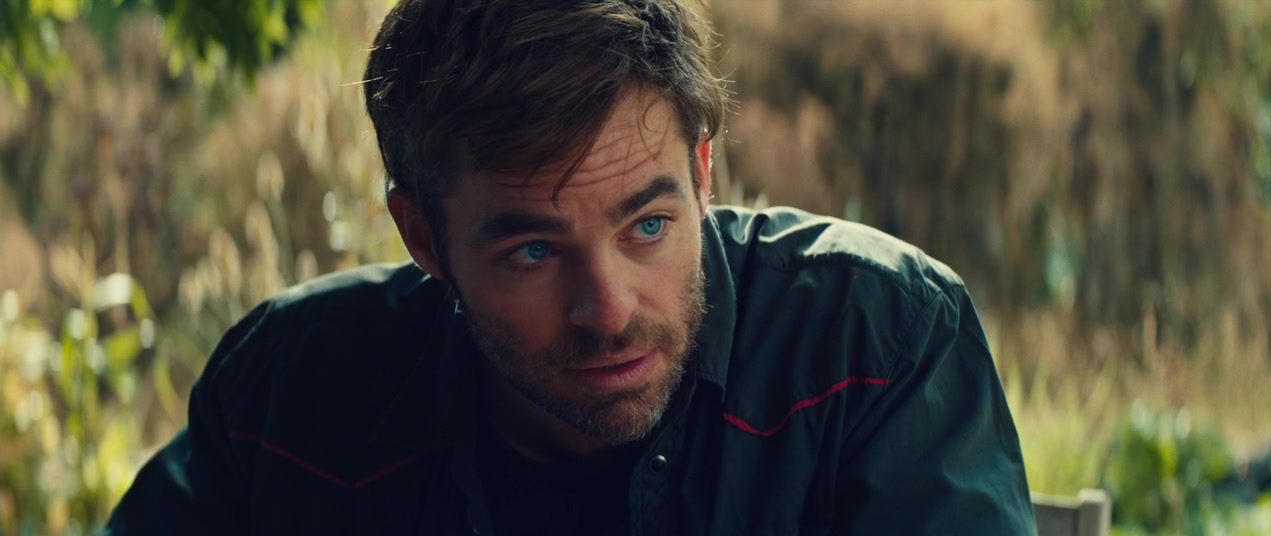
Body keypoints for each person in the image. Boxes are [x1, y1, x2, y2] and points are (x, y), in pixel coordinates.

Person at [103, 0, 1036, 534]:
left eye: (648, 225)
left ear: (702, 172)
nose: (608, 309)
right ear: (423, 237)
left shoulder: (874, 344)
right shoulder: (287, 397)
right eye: (534, 251)